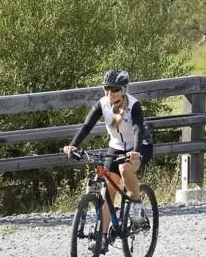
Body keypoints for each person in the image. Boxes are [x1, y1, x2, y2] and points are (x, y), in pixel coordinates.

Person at [62, 69, 152, 226]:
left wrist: (136, 151)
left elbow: (138, 129)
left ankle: (137, 205)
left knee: (125, 169)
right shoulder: (102, 104)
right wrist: (73, 145)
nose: (110, 93)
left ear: (124, 90)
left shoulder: (134, 105)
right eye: (107, 88)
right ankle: (101, 239)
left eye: (115, 89)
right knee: (109, 189)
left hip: (139, 145)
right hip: (116, 146)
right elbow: (87, 126)